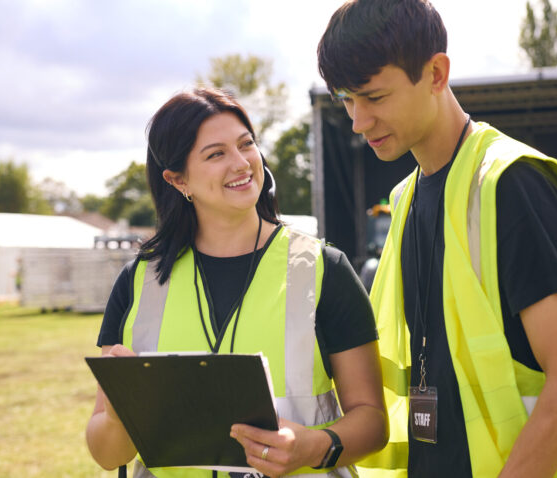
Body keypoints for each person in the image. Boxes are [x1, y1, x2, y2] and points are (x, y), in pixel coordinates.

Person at [317, 1, 557, 477]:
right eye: (347, 100)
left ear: (436, 73)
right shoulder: (406, 198)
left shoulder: (512, 183)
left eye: (374, 97)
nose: (358, 121)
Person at [86, 87, 388, 478]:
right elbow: (107, 455)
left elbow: (373, 422)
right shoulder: (137, 281)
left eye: (246, 145)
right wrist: (118, 416)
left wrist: (311, 447)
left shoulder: (323, 268)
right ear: (178, 180)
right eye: (216, 154)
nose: (242, 163)